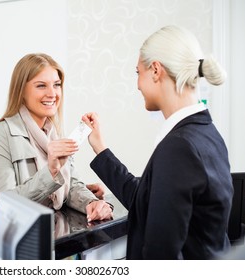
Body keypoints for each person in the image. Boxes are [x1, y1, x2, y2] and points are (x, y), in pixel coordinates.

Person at [82, 25, 233, 259]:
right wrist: (100, 148)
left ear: (155, 70)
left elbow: (159, 255)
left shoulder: (179, 147)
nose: (137, 85)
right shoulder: (206, 133)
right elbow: (144, 199)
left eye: (137, 73)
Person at [0, 53, 113, 222]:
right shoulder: (2, 132)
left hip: (56, 232)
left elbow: (71, 185)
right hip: (24, 236)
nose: (52, 93)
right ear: (21, 91)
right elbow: (4, 203)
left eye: (57, 85)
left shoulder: (55, 131)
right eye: (41, 86)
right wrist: (51, 171)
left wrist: (91, 202)